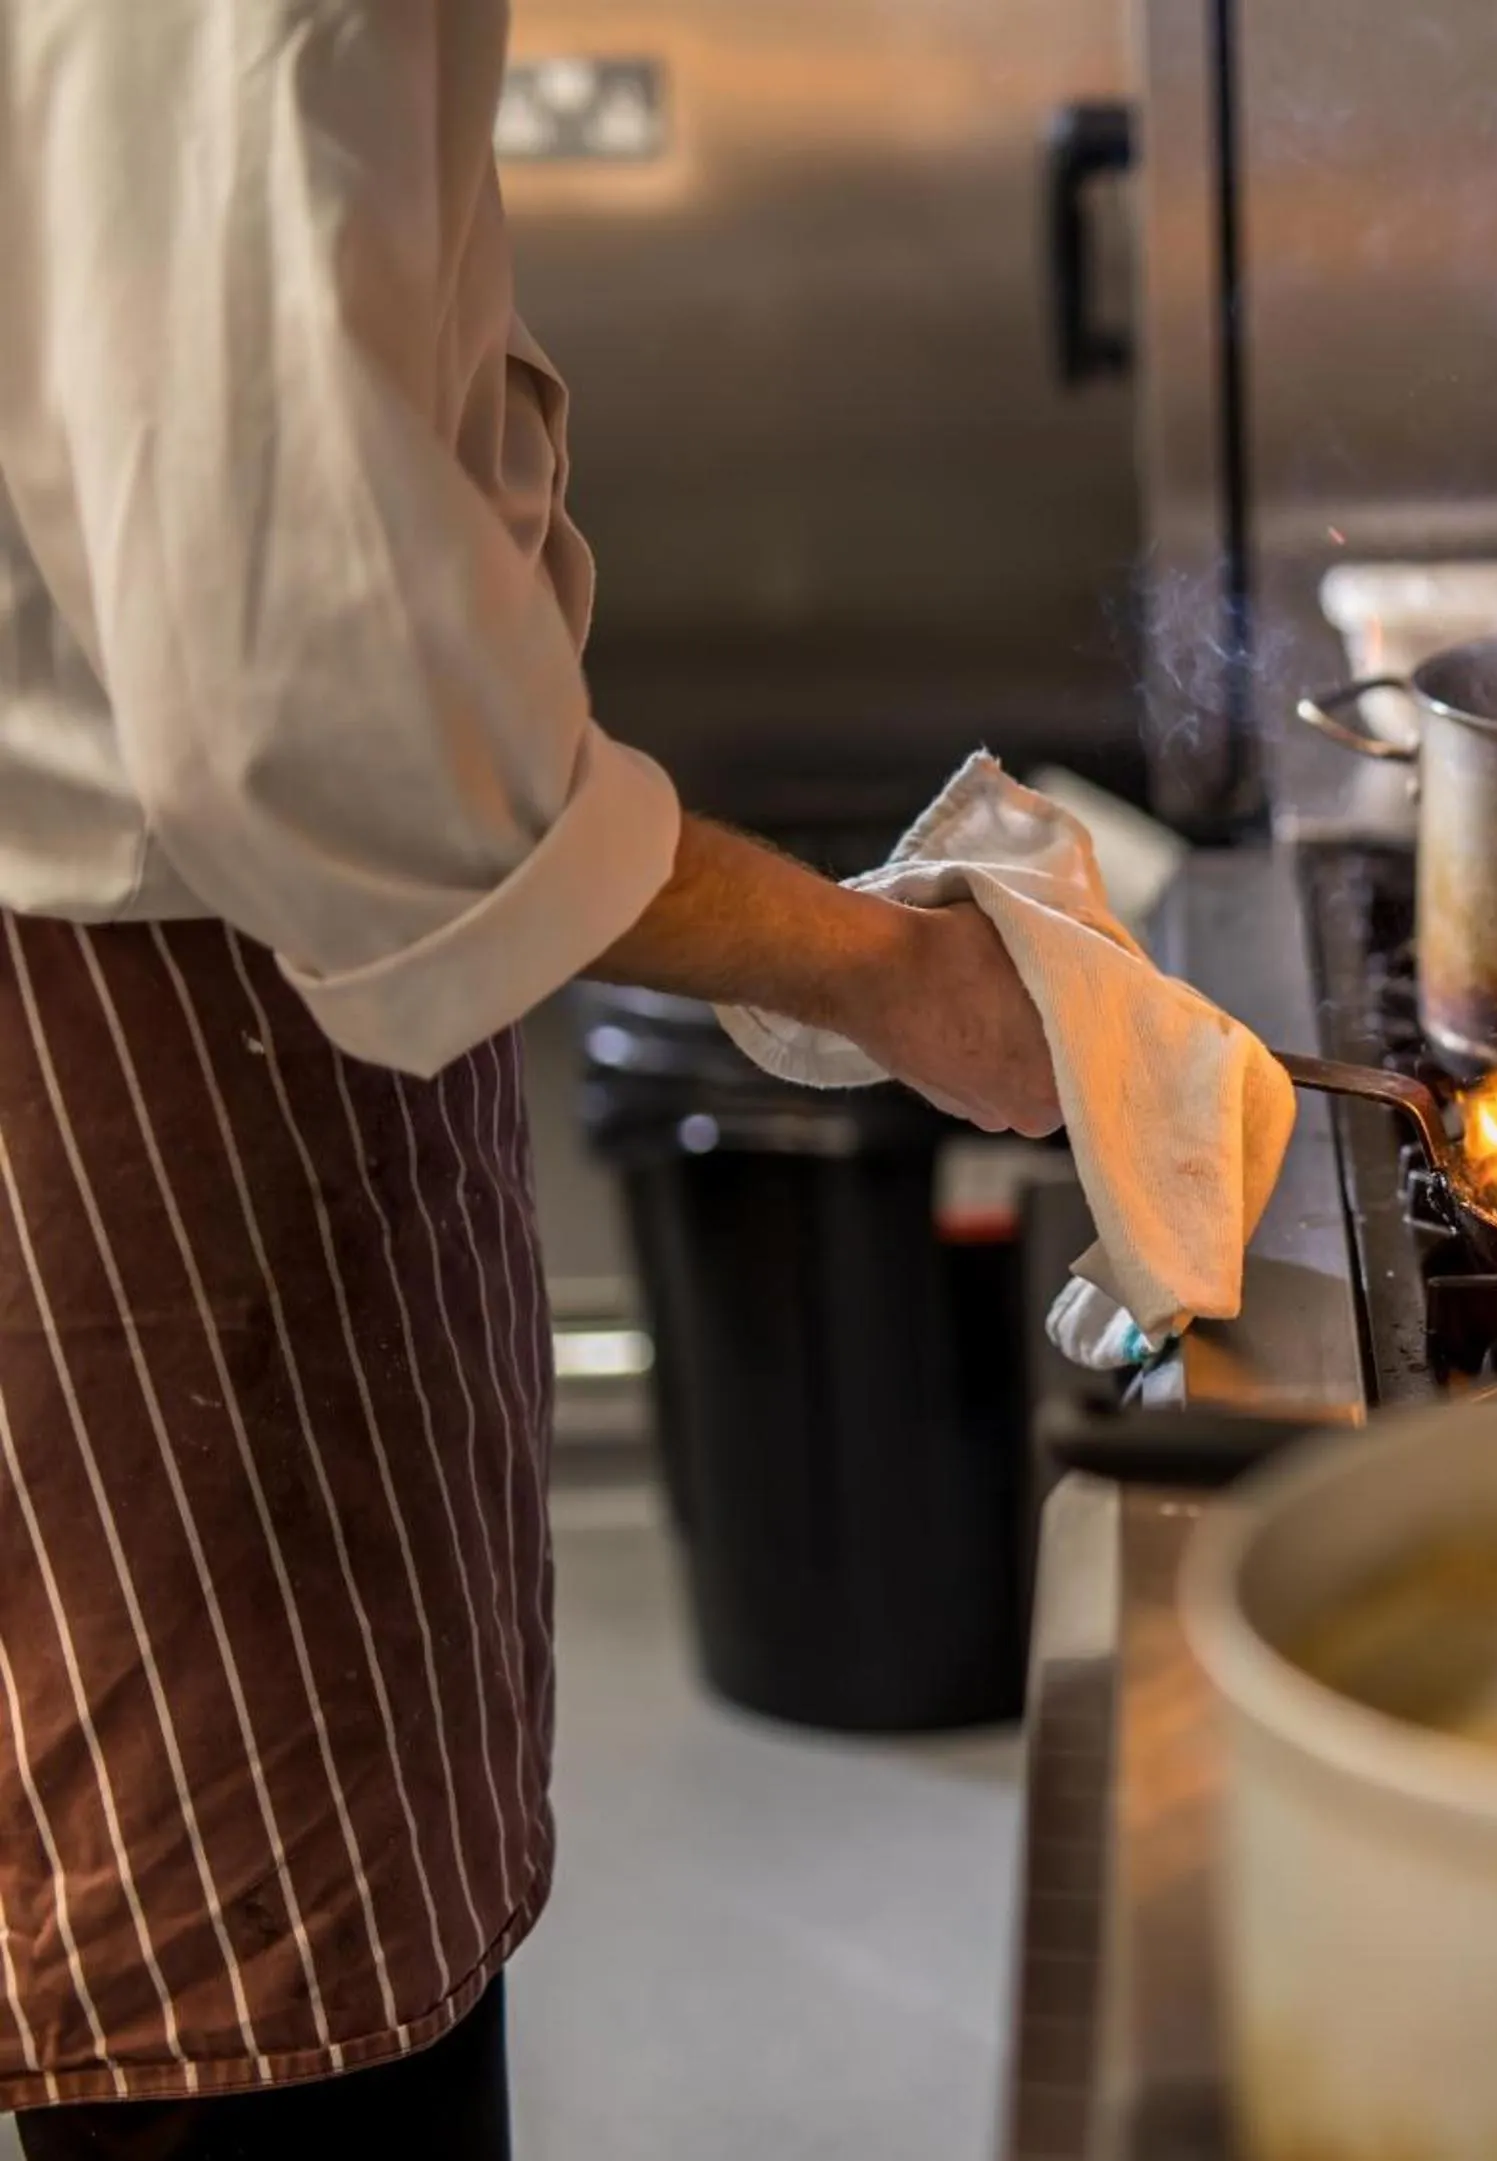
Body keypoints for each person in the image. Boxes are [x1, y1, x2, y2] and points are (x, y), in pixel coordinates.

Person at [0, 2, 1062, 2150]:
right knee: (248, 2007)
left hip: (188, 999)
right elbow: (303, 711)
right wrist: (875, 974)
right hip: (162, 1063)